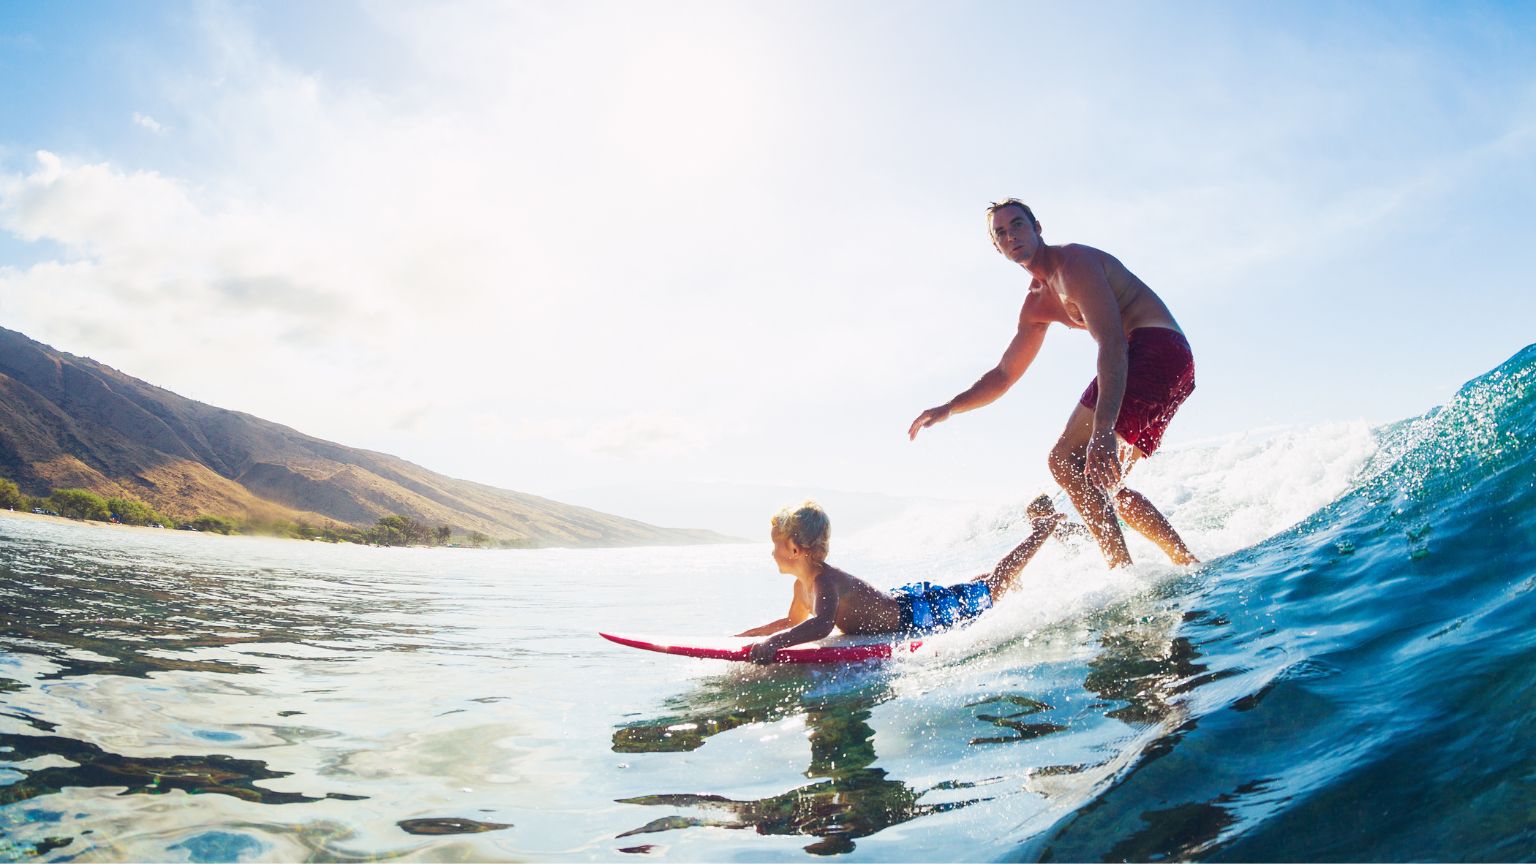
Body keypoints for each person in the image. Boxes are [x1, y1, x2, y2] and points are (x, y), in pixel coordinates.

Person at [909, 199, 1199, 568]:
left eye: (1017, 225)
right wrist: (950, 407)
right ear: (997, 247)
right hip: (1171, 363)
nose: (1011, 235)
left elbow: (1111, 342)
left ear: (1037, 228)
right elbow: (1004, 374)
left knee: (1064, 460)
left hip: (1155, 350)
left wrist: (1104, 428)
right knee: (1106, 482)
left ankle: (1121, 571)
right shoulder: (1035, 306)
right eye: (1001, 233)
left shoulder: (1074, 265)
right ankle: (1188, 565)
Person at [738, 500, 1064, 663]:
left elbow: (821, 626)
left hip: (913, 614)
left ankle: (1042, 530)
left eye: (775, 545)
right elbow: (793, 622)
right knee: (969, 591)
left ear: (795, 549)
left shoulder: (824, 582)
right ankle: (986, 578)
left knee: (993, 588)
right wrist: (748, 635)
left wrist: (776, 643)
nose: (771, 553)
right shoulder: (801, 588)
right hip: (895, 601)